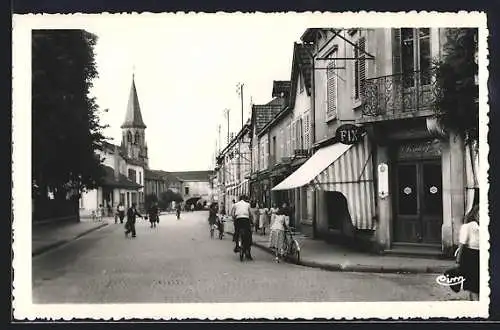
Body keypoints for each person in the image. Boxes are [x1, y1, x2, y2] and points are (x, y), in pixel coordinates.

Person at [456, 204, 480, 301]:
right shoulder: (468, 226)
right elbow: (461, 244)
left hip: (482, 255)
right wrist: (458, 261)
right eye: (479, 214)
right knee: (472, 286)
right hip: (471, 256)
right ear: (475, 214)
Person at [231, 195, 253, 260]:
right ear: (245, 199)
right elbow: (250, 214)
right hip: (246, 220)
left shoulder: (235, 204)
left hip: (238, 220)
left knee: (237, 232)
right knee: (248, 234)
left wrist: (234, 219)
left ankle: (237, 245)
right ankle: (248, 252)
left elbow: (232, 214)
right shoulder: (248, 204)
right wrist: (252, 221)